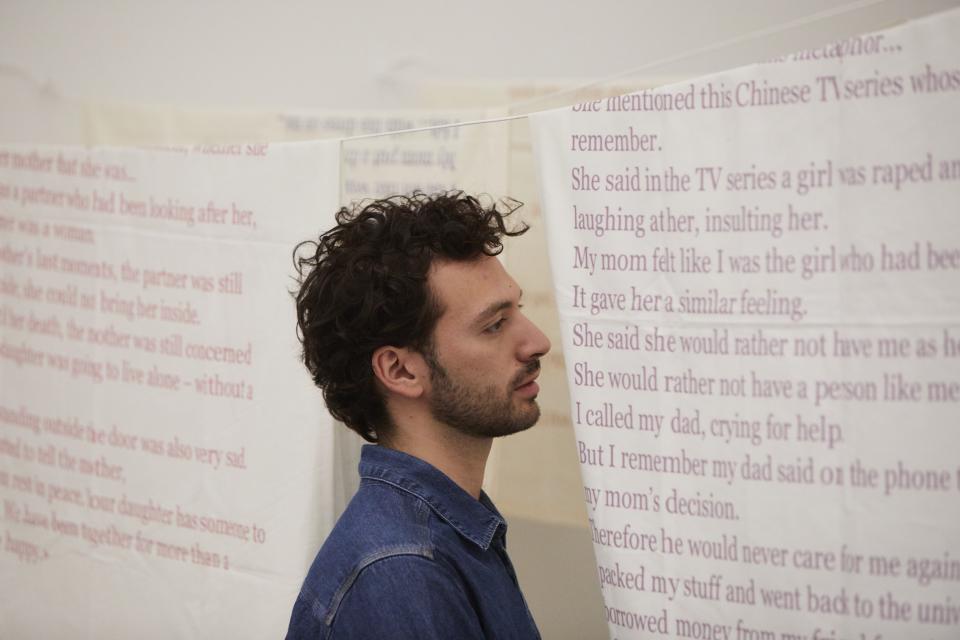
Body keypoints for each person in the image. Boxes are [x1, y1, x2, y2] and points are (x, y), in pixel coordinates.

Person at [286, 192, 550, 639]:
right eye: (494, 325)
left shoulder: (444, 534)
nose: (537, 341)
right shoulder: (405, 572)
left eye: (517, 310)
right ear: (401, 370)